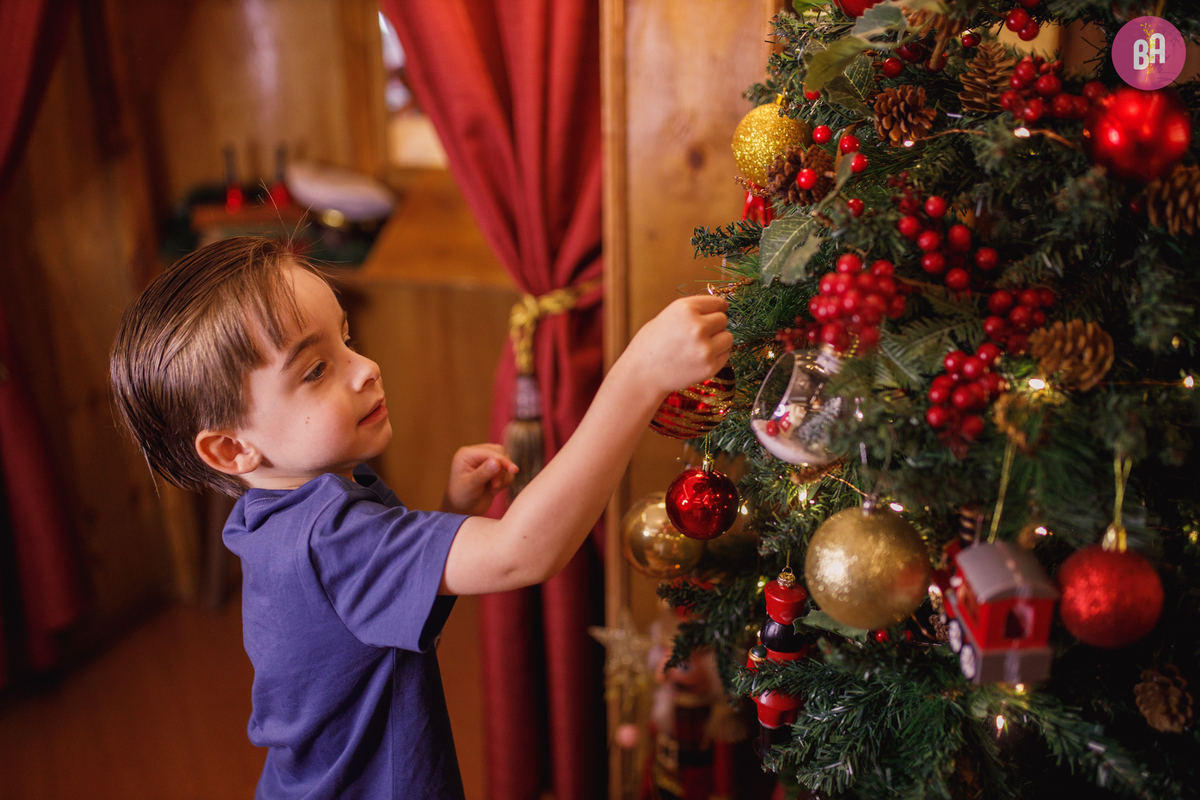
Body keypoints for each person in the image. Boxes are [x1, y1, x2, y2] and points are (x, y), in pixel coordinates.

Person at [109, 236, 731, 800]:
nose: (365, 367)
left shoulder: (273, 514)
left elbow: (364, 620)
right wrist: (638, 376)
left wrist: (452, 513)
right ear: (231, 449)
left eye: (346, 336)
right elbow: (523, 552)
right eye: (317, 369)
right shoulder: (326, 535)